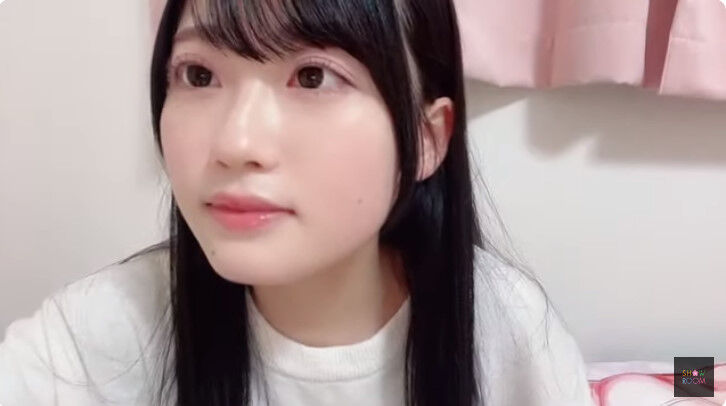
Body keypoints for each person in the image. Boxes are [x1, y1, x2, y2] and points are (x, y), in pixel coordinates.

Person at [0, 0, 595, 405]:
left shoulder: (506, 335)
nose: (236, 144)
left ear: (425, 139)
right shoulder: (86, 346)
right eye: (199, 75)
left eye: (313, 77)